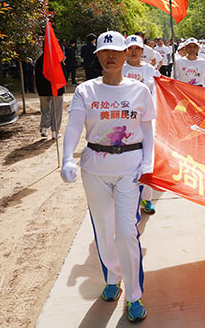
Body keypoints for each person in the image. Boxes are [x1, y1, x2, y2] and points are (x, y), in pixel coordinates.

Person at [61, 30, 154, 322]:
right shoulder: (86, 91)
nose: (111, 56)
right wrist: (66, 158)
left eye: (117, 51)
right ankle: (112, 278)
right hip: (95, 169)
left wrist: (147, 163)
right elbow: (75, 125)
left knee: (126, 232)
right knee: (103, 229)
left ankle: (134, 296)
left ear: (127, 54)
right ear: (98, 56)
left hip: (129, 167)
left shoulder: (139, 91)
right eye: (105, 52)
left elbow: (148, 129)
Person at [122, 34, 161, 215]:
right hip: (124, 123)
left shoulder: (149, 69)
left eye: (137, 49)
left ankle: (146, 198)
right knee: (128, 160)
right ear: (126, 51)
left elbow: (163, 86)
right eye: (131, 49)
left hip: (146, 121)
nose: (134, 52)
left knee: (147, 158)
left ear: (142, 51)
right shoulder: (120, 70)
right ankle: (127, 196)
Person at [34, 52, 64, 139]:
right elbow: (63, 74)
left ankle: (43, 128)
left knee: (45, 110)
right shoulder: (57, 59)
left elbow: (36, 76)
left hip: (43, 90)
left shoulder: (39, 60)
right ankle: (55, 131)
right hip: (57, 89)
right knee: (57, 111)